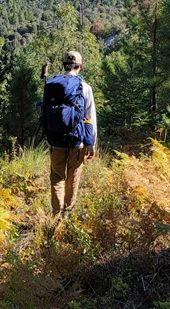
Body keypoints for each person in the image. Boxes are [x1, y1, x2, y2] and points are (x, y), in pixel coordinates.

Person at [46, 50, 97, 217]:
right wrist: (91, 144)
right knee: (73, 178)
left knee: (56, 177)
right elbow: (90, 117)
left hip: (55, 140)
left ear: (63, 65)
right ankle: (67, 213)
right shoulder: (85, 87)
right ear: (79, 66)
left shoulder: (53, 85)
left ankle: (56, 216)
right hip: (77, 141)